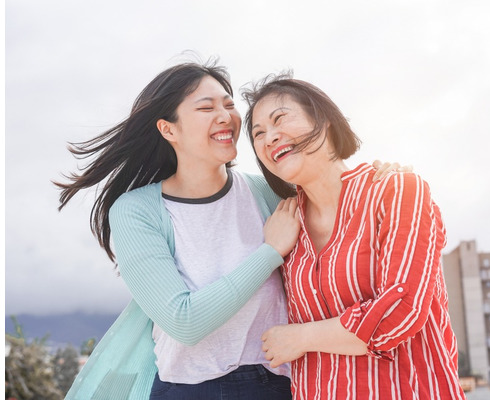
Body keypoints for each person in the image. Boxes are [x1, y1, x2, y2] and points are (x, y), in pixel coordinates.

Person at [56, 61, 403, 400]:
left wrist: (379, 180)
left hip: (282, 383)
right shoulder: (137, 211)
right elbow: (184, 322)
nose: (226, 116)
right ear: (169, 129)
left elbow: (342, 226)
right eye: (206, 107)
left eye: (229, 104)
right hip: (190, 390)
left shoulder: (269, 193)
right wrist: (269, 253)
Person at [243, 75, 467, 399]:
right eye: (258, 134)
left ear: (325, 120)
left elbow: (399, 312)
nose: (269, 138)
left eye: (279, 119)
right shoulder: (284, 228)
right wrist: (271, 250)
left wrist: (300, 338)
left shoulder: (397, 189)